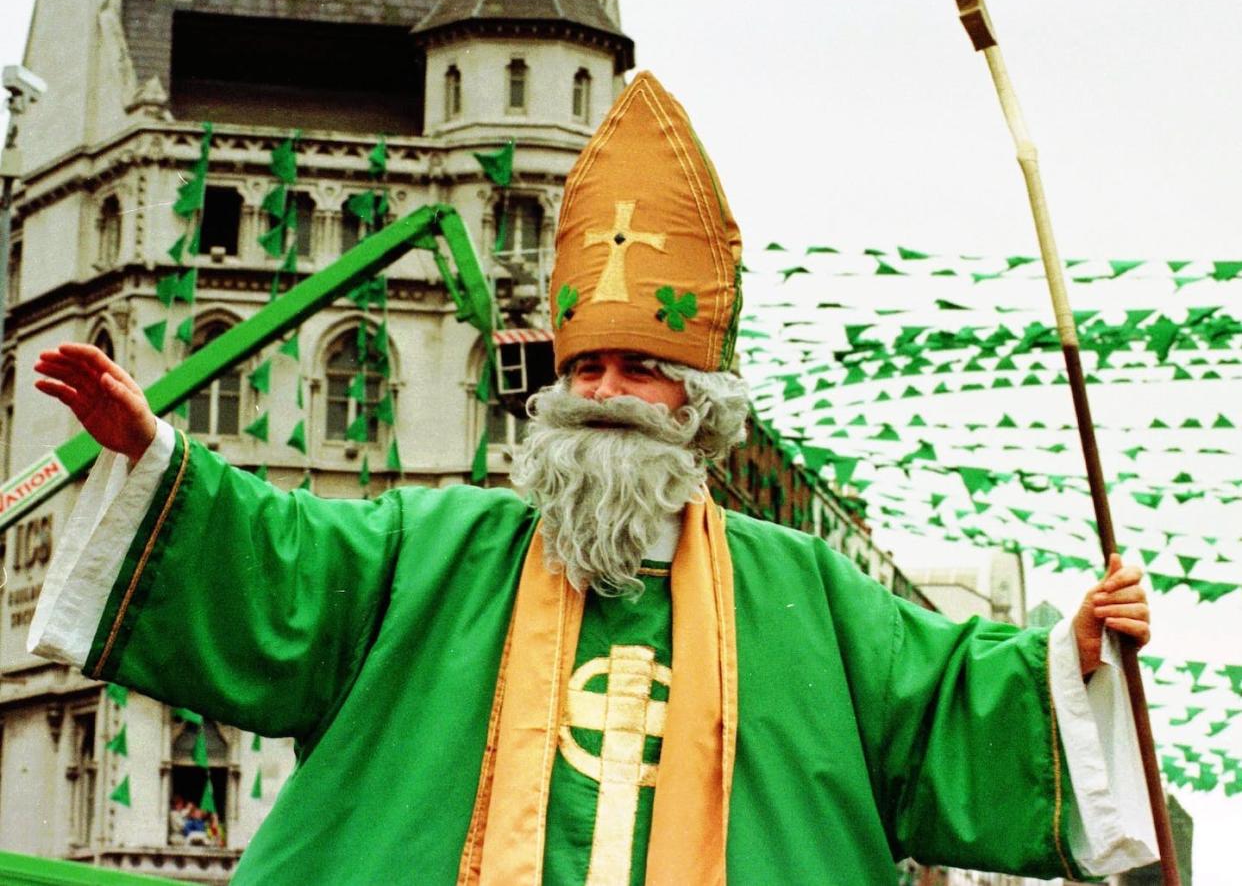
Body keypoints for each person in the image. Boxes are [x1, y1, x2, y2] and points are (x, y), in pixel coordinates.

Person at [30, 72, 1156, 885]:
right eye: (589, 365)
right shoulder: (438, 549)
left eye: (641, 368)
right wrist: (160, 461)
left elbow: (947, 704)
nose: (606, 390)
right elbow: (281, 567)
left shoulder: (805, 594)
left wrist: (1082, 648)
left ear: (701, 407)